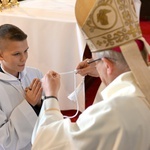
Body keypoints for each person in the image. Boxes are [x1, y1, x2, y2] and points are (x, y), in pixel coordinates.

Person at [31, 0, 150, 150]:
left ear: (107, 65)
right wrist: (103, 71)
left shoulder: (110, 113)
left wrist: (50, 97)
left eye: (96, 60)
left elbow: (49, 142)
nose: (94, 64)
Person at [0, 24, 43, 150]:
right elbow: (4, 141)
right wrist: (29, 105)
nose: (24, 58)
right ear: (1, 55)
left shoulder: (34, 73)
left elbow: (49, 120)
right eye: (16, 54)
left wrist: (40, 103)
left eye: (26, 51)